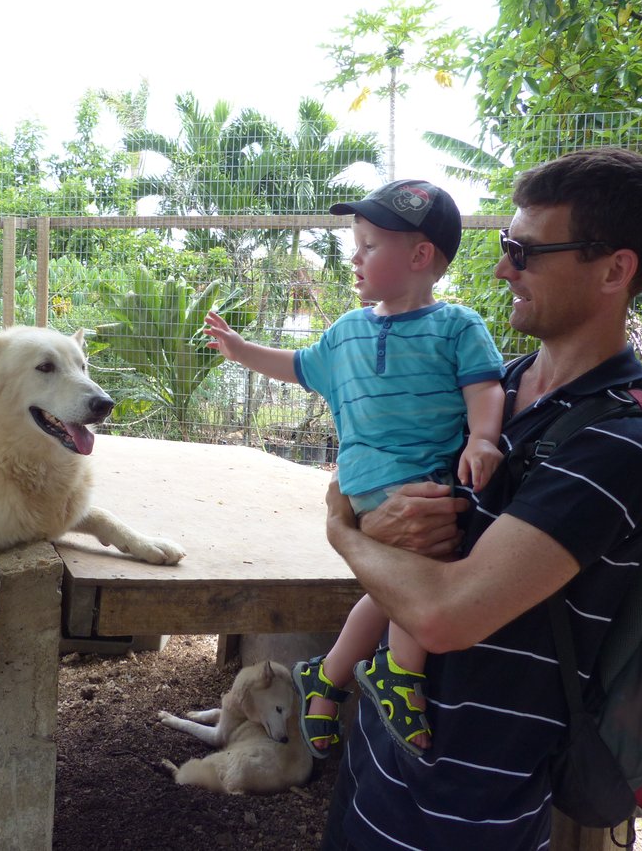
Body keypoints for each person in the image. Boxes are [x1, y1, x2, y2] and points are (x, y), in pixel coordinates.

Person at [319, 147, 642, 850]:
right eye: (503, 246)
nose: (501, 268)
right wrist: (378, 523)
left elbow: (444, 612)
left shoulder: (624, 443)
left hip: (469, 807)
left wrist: (346, 535)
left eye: (526, 251)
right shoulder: (491, 386)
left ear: (615, 269)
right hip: (378, 759)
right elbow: (382, 506)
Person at [203, 179, 505, 758]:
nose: (354, 256)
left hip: (419, 481)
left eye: (368, 245)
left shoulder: (457, 326)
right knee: (426, 578)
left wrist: (484, 440)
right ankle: (399, 672)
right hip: (380, 485)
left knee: (396, 588)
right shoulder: (345, 333)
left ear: (419, 257)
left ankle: (327, 678)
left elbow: (484, 388)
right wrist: (240, 349)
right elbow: (295, 365)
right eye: (356, 243)